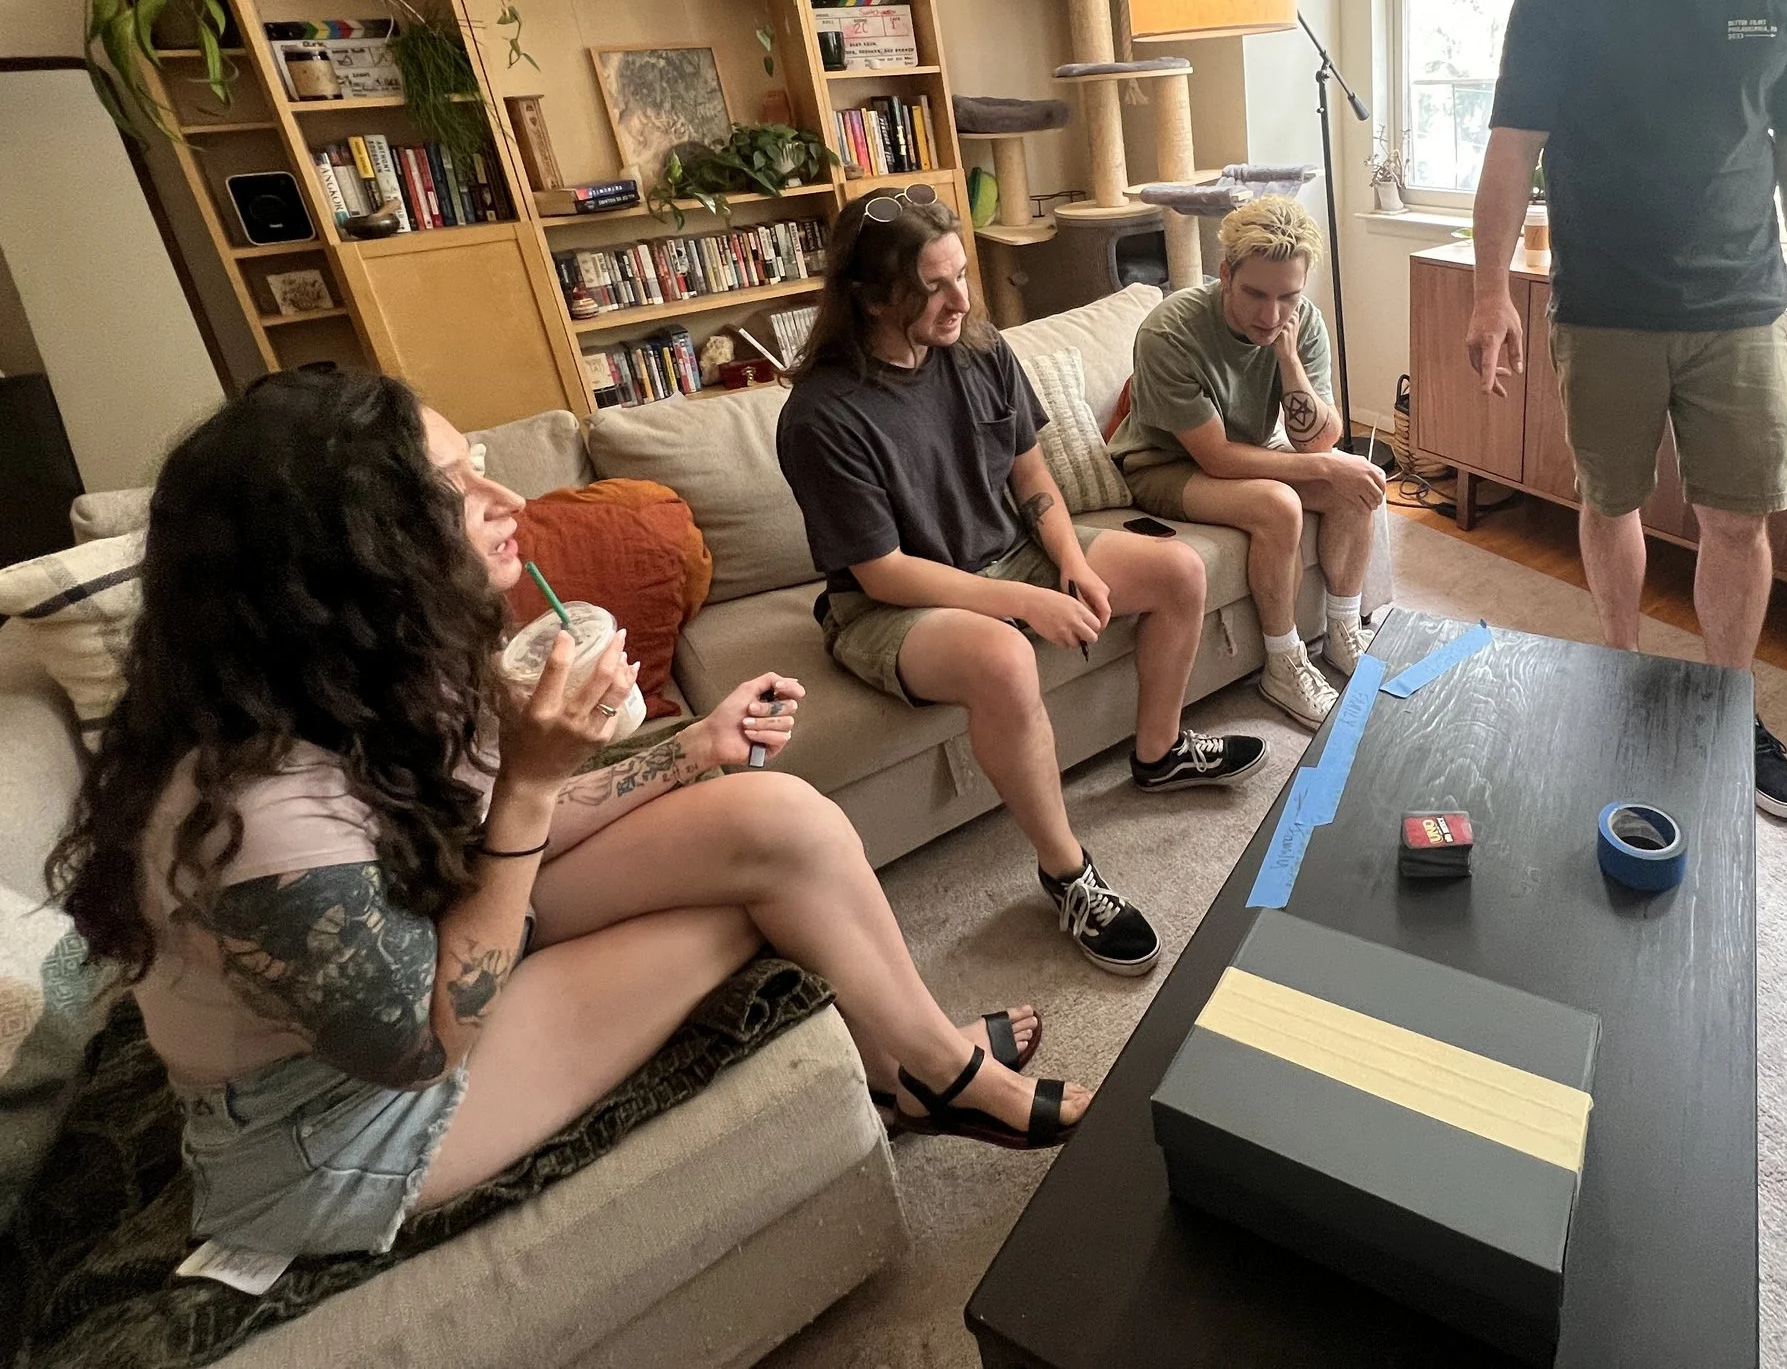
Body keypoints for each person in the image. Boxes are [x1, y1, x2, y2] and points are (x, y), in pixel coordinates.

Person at [46, 371, 1084, 1264]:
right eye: (454, 490)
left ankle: (916, 1060)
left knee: (777, 818)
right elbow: (424, 1040)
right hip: (337, 1123)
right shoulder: (257, 813)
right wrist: (534, 781)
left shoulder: (371, 673)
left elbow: (469, 848)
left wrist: (695, 745)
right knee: (750, 905)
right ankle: (935, 1071)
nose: (507, 499)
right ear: (350, 553)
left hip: (436, 929)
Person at [1464, 0, 1787, 821]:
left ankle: (1727, 708)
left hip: (1742, 306)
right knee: (1610, 498)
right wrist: (1490, 287)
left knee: (1738, 520)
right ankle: (1622, 673)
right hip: (1606, 302)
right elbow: (1512, 148)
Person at [776, 186, 1263, 976]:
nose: (960, 298)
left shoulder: (978, 347)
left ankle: (1160, 750)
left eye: (959, 274)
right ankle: (1067, 872)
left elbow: (1031, 475)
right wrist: (1029, 602)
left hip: (1009, 551)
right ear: (867, 297)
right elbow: (884, 571)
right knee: (1004, 657)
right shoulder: (822, 414)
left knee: (1177, 567)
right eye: (932, 287)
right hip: (886, 605)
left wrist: (1069, 561)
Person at [1107, 196, 1379, 728]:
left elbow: (1317, 442)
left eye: (1287, 297)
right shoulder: (1170, 330)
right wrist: (1329, 467)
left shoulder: (1301, 324)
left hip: (1245, 455)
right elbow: (1217, 458)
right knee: (1279, 503)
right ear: (1226, 274)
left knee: (1352, 485)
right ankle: (1284, 664)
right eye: (1255, 293)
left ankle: (1344, 630)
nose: (1270, 315)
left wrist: (1289, 359)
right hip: (1164, 465)